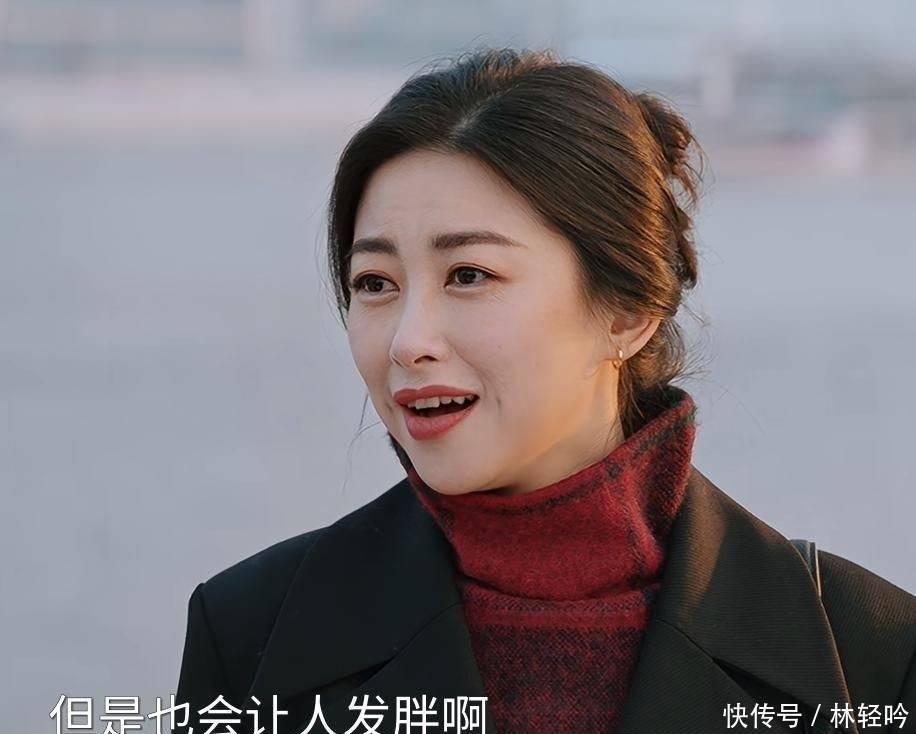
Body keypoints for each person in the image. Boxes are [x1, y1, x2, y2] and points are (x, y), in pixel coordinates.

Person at [174, 48, 915, 734]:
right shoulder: (250, 634)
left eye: (469, 275)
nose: (406, 340)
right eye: (375, 283)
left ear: (627, 310)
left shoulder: (870, 653)